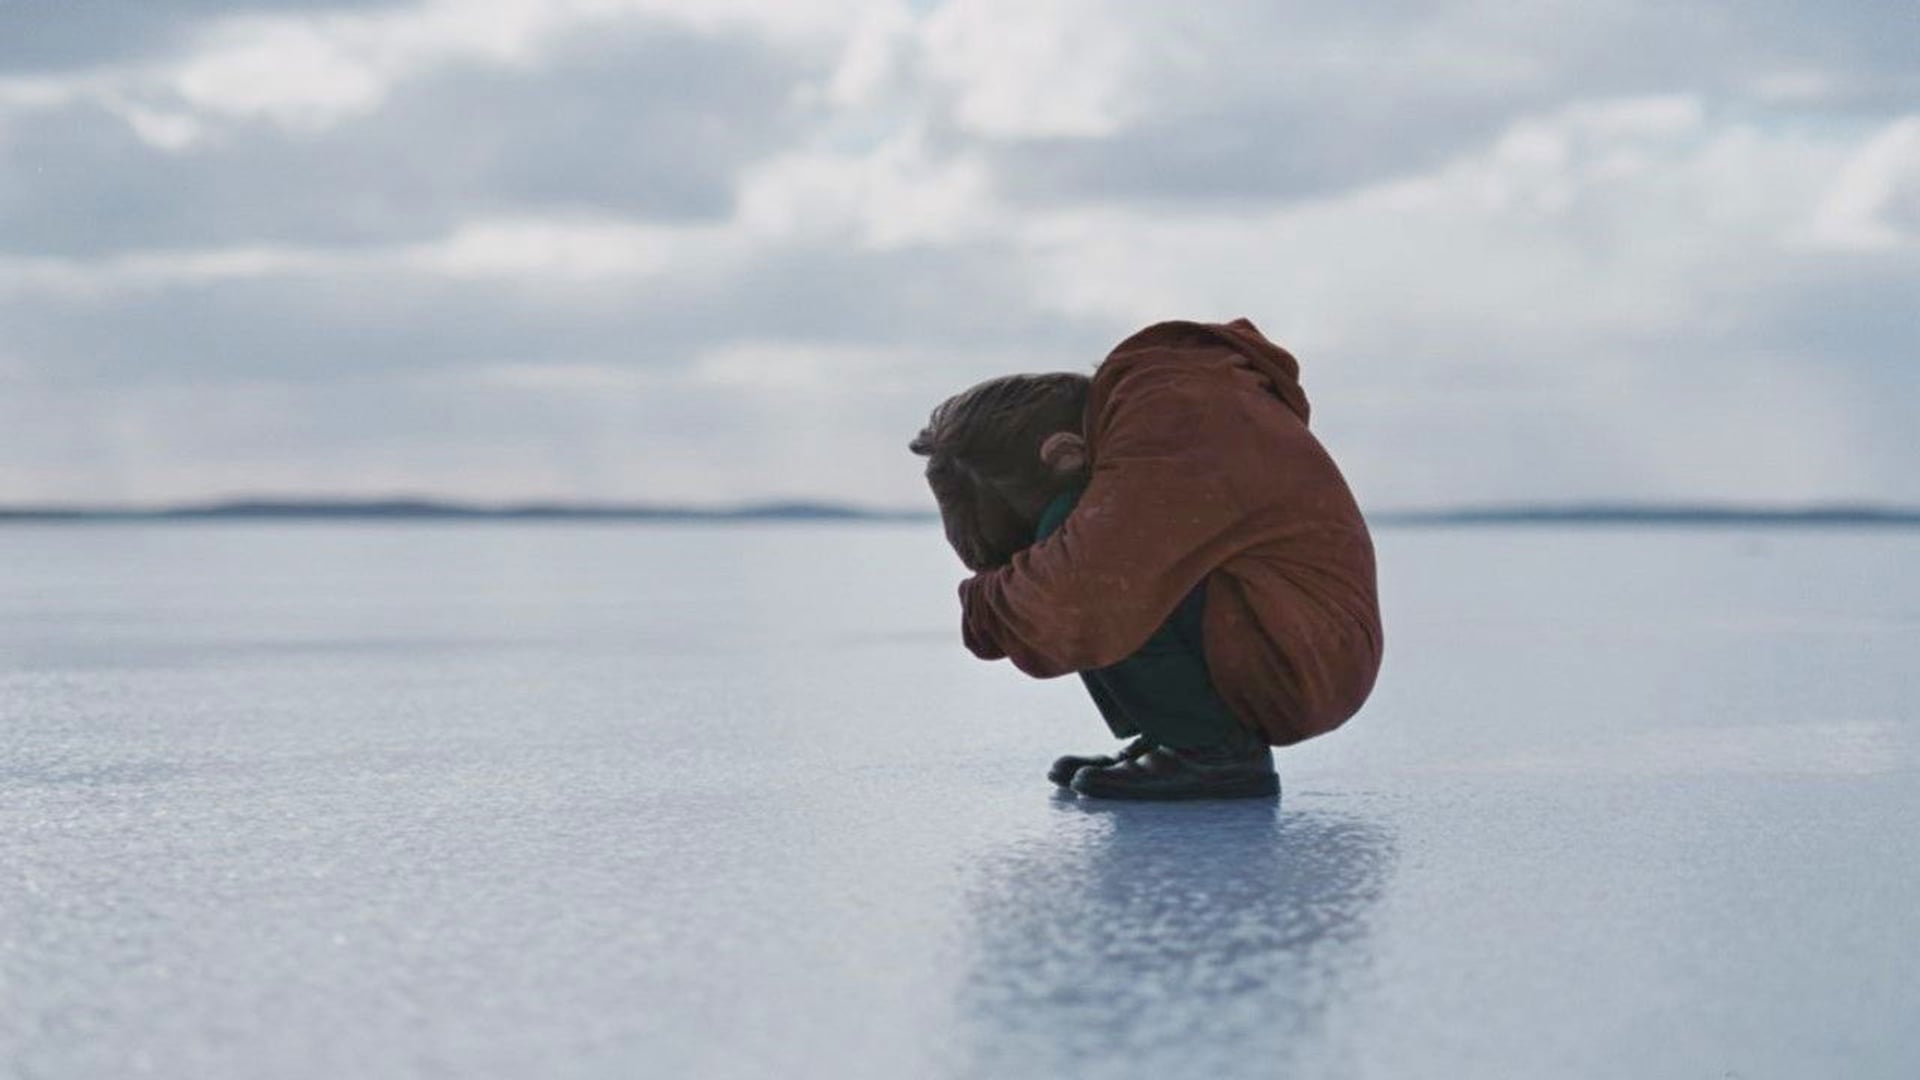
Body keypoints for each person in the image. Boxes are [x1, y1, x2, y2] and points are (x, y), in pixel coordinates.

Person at [911, 318, 1382, 800]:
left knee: (1082, 551)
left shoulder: (1174, 412)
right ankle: (1176, 736)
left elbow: (1078, 597)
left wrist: (988, 604)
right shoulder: (1170, 405)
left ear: (1065, 453)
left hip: (1304, 656)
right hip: (1294, 638)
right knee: (1092, 553)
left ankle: (1213, 751)